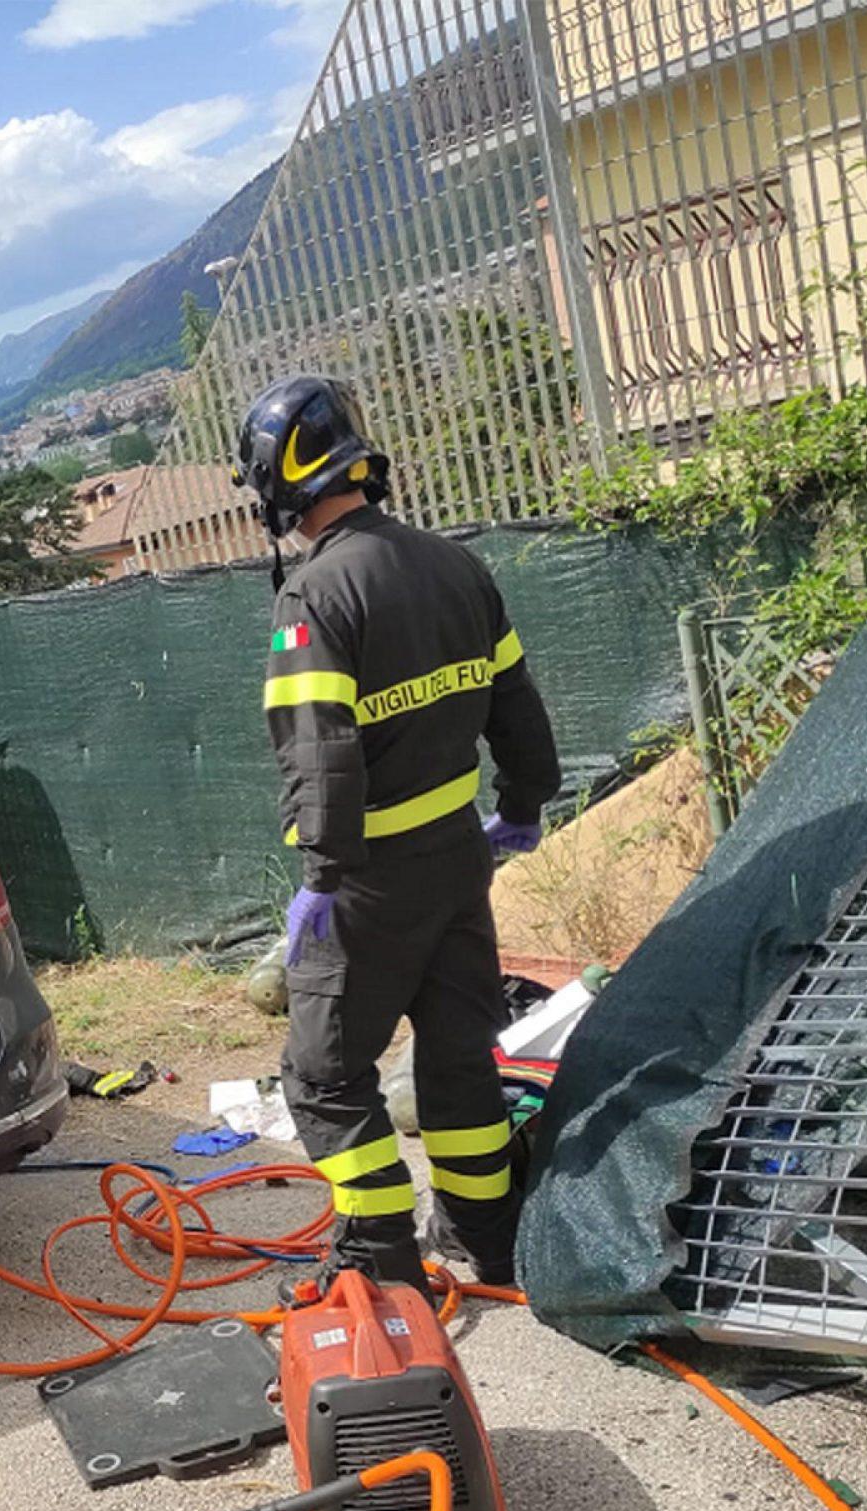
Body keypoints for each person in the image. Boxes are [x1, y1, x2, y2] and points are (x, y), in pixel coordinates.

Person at [237, 376, 560, 1294]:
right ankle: (486, 1238)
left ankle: (380, 1255)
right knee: (458, 1060)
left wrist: (322, 877)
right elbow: (518, 706)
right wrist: (526, 805)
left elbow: (319, 751)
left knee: (324, 1075)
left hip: (367, 879)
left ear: (274, 480)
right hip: (461, 861)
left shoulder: (315, 595)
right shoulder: (455, 565)